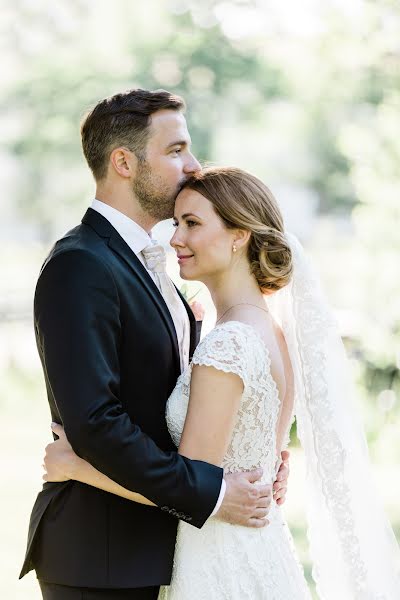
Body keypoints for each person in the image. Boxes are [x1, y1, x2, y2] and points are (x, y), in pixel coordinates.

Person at [44, 166, 400, 599]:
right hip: (261, 550)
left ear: (239, 235)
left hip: (218, 562)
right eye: (177, 224)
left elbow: (189, 484)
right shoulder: (273, 332)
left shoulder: (229, 344)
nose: (176, 239)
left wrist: (77, 467)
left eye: (193, 224)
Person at [20, 90, 290, 600]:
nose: (192, 166)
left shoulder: (154, 265)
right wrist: (214, 494)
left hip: (165, 548)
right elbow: (95, 421)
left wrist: (255, 458)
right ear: (123, 162)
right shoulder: (81, 264)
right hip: (101, 556)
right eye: (176, 150)